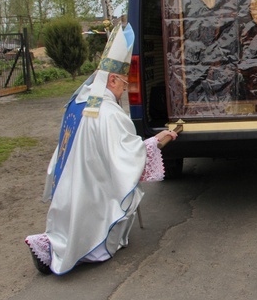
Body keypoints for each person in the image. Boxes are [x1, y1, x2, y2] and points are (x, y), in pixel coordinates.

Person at [25, 23, 178, 275]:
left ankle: (51, 243)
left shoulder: (79, 101)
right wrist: (157, 140)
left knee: (69, 216)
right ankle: (59, 251)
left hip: (70, 175)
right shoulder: (108, 113)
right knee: (104, 216)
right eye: (123, 83)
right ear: (112, 78)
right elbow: (127, 156)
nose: (125, 89)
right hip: (93, 180)